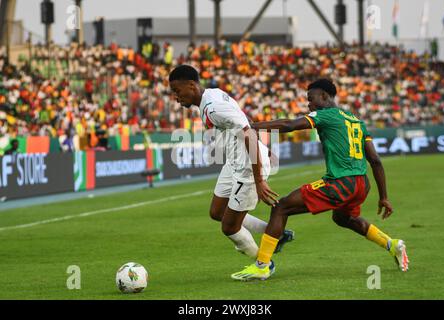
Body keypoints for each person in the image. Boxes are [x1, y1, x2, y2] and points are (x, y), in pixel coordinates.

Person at [231, 79, 409, 281]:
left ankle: (262, 265)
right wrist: (384, 196)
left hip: (341, 182)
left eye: (311, 98)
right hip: (361, 184)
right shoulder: (356, 120)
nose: (309, 104)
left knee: (281, 207)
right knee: (343, 218)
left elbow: (290, 125)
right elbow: (375, 161)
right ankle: (392, 244)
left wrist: (252, 126)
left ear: (324, 96)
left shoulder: (325, 115)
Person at [169, 65, 294, 270]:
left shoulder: (213, 107)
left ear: (191, 85)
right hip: (234, 163)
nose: (175, 96)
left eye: (177, 90)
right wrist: (265, 147)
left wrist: (259, 180)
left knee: (229, 227)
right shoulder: (213, 95)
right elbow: (245, 121)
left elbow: (248, 135)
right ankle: (275, 233)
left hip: (248, 167)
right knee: (217, 212)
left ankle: (263, 264)